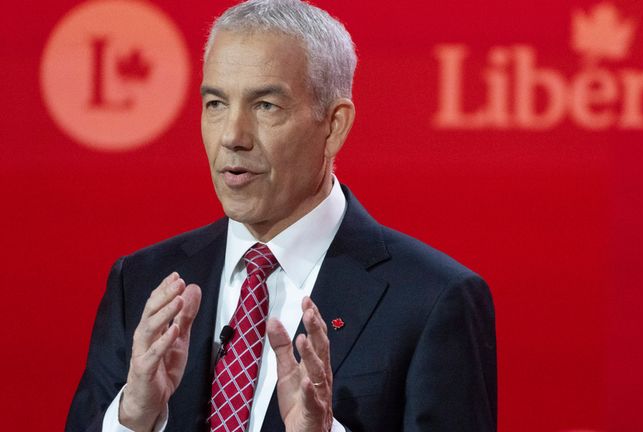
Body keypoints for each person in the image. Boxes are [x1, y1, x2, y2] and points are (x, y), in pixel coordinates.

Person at [66, 0, 497, 431]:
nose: (232, 136)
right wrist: (132, 419)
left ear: (333, 126)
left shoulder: (432, 299)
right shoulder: (141, 283)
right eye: (216, 103)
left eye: (265, 106)